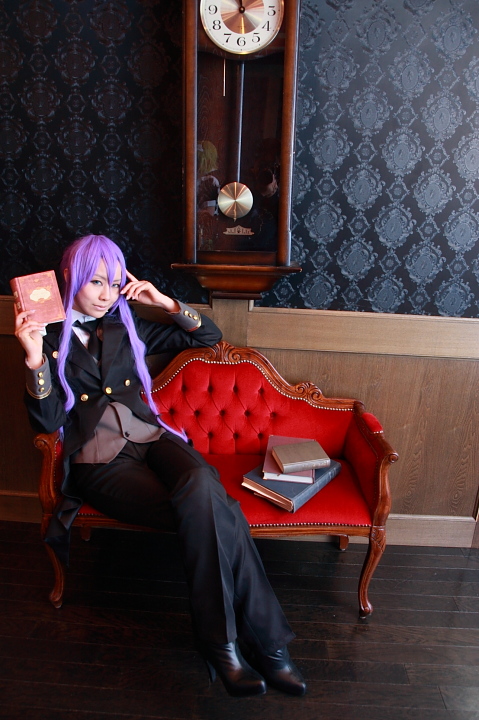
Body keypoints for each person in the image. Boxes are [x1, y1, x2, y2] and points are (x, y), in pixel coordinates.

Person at [14, 234, 306, 698]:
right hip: (100, 459)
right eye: (95, 282)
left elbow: (209, 337)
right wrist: (34, 360)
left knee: (201, 483)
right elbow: (48, 422)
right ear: (69, 276)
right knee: (219, 510)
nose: (106, 294)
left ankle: (222, 645)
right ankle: (263, 647)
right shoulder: (45, 335)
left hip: (153, 439)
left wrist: (164, 302)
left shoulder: (127, 324)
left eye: (114, 283)